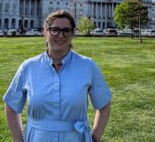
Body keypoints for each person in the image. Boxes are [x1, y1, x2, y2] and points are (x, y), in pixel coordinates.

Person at [3, 10, 112, 142]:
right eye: (54, 30)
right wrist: (18, 139)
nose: (60, 35)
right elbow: (11, 106)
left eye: (66, 30)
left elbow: (104, 104)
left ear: (72, 33)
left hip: (75, 137)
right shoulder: (29, 66)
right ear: (45, 31)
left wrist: (94, 138)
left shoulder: (87, 65)